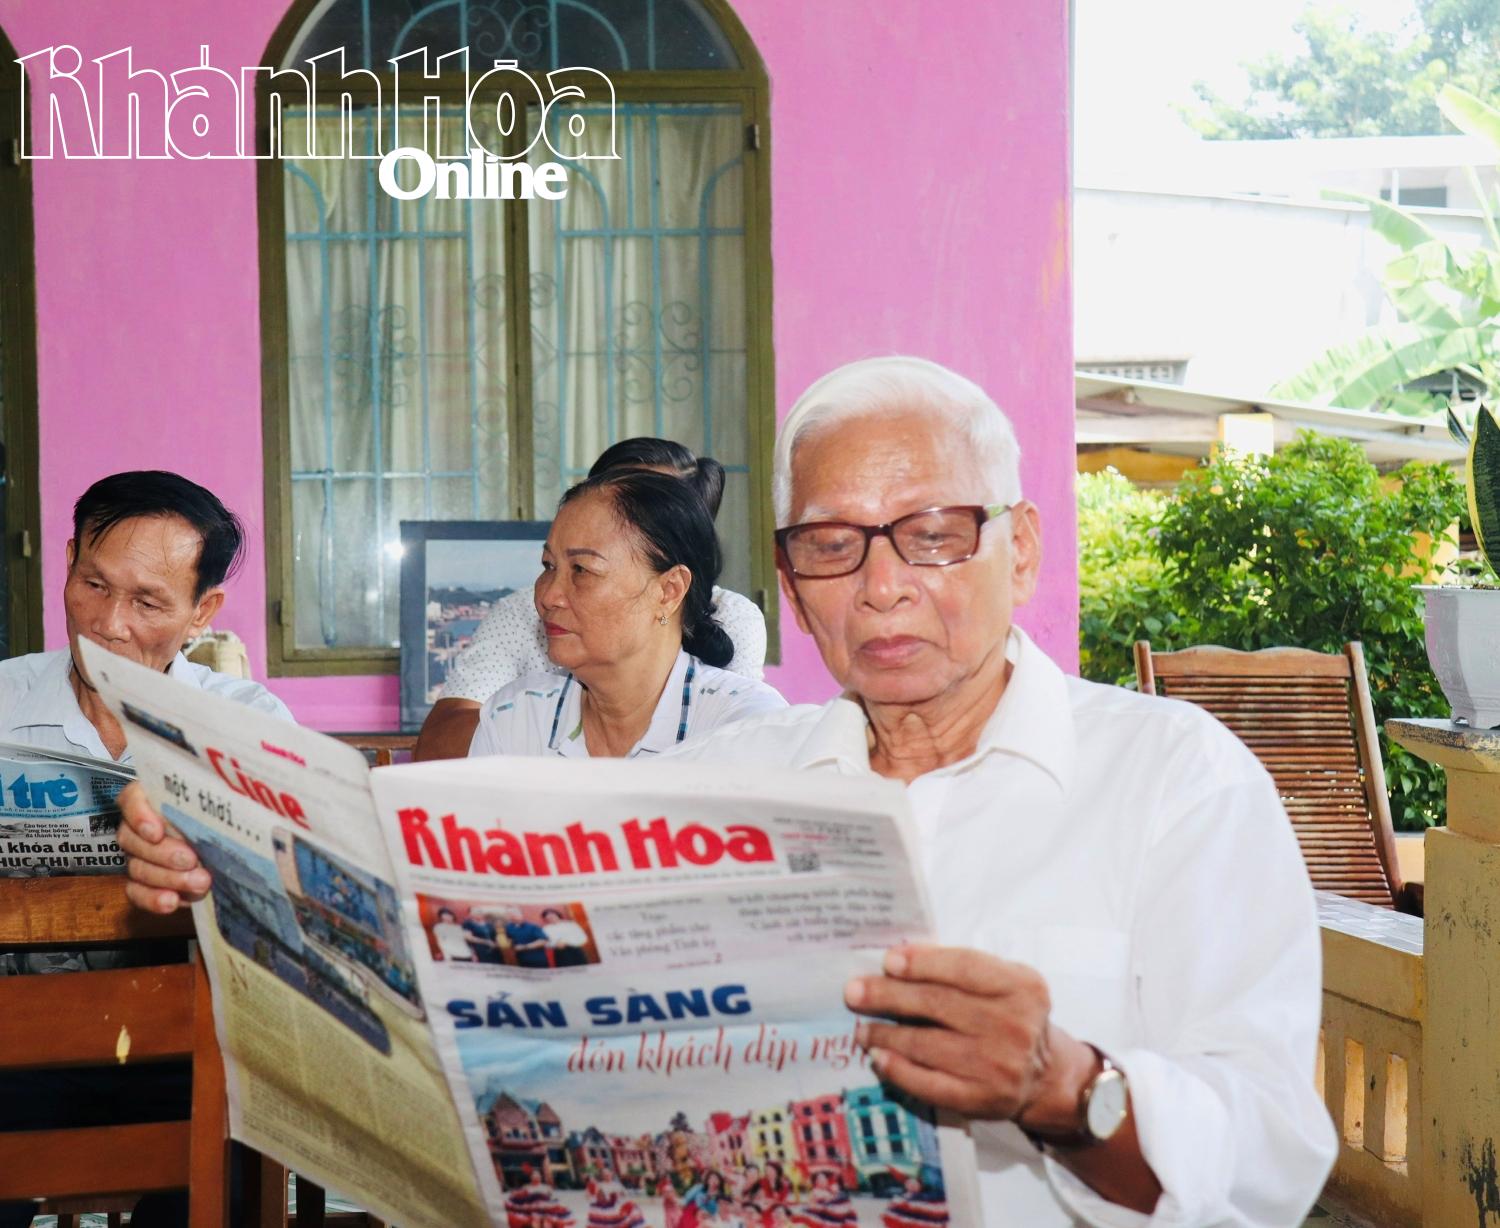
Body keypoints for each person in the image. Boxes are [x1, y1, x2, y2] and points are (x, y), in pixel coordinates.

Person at [657, 357, 1337, 1224]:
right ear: (792, 590)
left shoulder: (1177, 781)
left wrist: (1063, 1085)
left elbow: (1266, 1159)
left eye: (933, 533)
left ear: (1019, 551)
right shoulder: (711, 790)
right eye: (832, 546)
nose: (882, 585)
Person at [0, 470, 291, 1228]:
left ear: (203, 611)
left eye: (149, 601)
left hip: (184, 1055)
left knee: (218, 1138)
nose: (109, 623)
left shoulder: (244, 725)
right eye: (92, 584)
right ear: (65, 561)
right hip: (14, 1045)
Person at [417, 437, 768, 761]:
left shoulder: (745, 731)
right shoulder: (514, 719)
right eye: (548, 565)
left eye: (583, 570)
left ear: (670, 589)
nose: (549, 596)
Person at [503, 905, 553, 969]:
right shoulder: (508, 928)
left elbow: (544, 941)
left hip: (538, 961)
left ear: (521, 913)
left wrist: (525, 947)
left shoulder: (533, 926)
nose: (513, 914)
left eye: (515, 912)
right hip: (521, 961)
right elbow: (509, 941)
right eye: (510, 913)